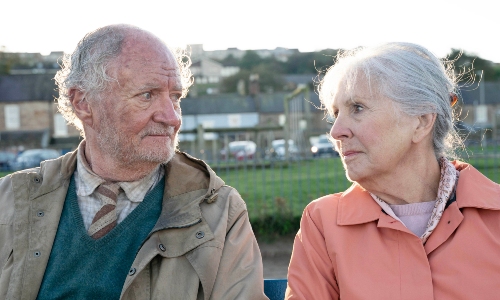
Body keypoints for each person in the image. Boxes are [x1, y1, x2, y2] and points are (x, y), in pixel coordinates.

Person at [0, 24, 268, 300]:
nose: (172, 117)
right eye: (147, 95)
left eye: (175, 97)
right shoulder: (10, 201)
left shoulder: (220, 212)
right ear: (82, 103)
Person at [285, 42, 500, 299]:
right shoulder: (323, 224)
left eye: (358, 108)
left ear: (421, 121)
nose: (335, 131)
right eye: (336, 113)